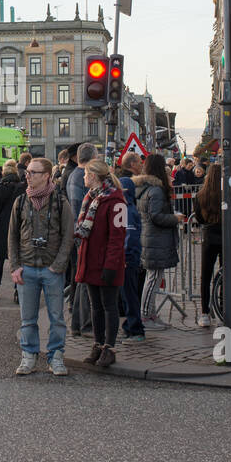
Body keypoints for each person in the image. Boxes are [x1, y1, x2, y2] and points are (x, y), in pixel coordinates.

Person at [8, 156, 74, 376]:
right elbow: (12, 237)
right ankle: (29, 355)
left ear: (46, 176)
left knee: (57, 317)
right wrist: (15, 266)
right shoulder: (21, 202)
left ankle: (55, 356)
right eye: (27, 172)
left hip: (51, 268)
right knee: (27, 318)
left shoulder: (60, 201)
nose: (28, 176)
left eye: (33, 173)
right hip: (27, 267)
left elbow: (68, 236)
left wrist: (58, 265)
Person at [74, 159, 126, 368]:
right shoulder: (91, 198)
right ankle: (98, 343)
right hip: (90, 260)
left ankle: (109, 347)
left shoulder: (115, 201)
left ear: (93, 176)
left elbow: (117, 236)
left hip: (106, 262)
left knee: (109, 306)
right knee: (95, 306)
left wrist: (111, 265)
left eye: (86, 175)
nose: (84, 178)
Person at [135, 154, 181, 332]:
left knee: (153, 277)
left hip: (151, 237)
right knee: (153, 278)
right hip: (155, 238)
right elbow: (156, 216)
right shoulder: (155, 190)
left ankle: (151, 314)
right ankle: (145, 315)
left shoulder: (146, 188)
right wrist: (175, 218)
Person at [193, 164, 231, 327]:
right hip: (227, 237)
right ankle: (223, 310)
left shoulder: (201, 195)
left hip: (209, 237)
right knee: (226, 275)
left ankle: (204, 312)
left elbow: (199, 218)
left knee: (206, 275)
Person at [66, 143, 97, 334]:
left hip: (81, 233)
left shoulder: (75, 176)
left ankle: (79, 323)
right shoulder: (79, 178)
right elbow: (79, 210)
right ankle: (83, 324)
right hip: (83, 235)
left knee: (82, 280)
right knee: (84, 281)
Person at [117, 151, 147, 341]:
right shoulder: (126, 208)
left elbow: (130, 236)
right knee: (127, 294)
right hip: (127, 257)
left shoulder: (127, 210)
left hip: (128, 259)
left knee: (129, 295)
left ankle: (135, 328)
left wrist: (126, 256)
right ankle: (130, 325)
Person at [0, 159, 24, 300]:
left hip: (1, 226)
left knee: (0, 258)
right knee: (17, 258)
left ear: (3, 171)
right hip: (18, 225)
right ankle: (16, 290)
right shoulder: (21, 187)